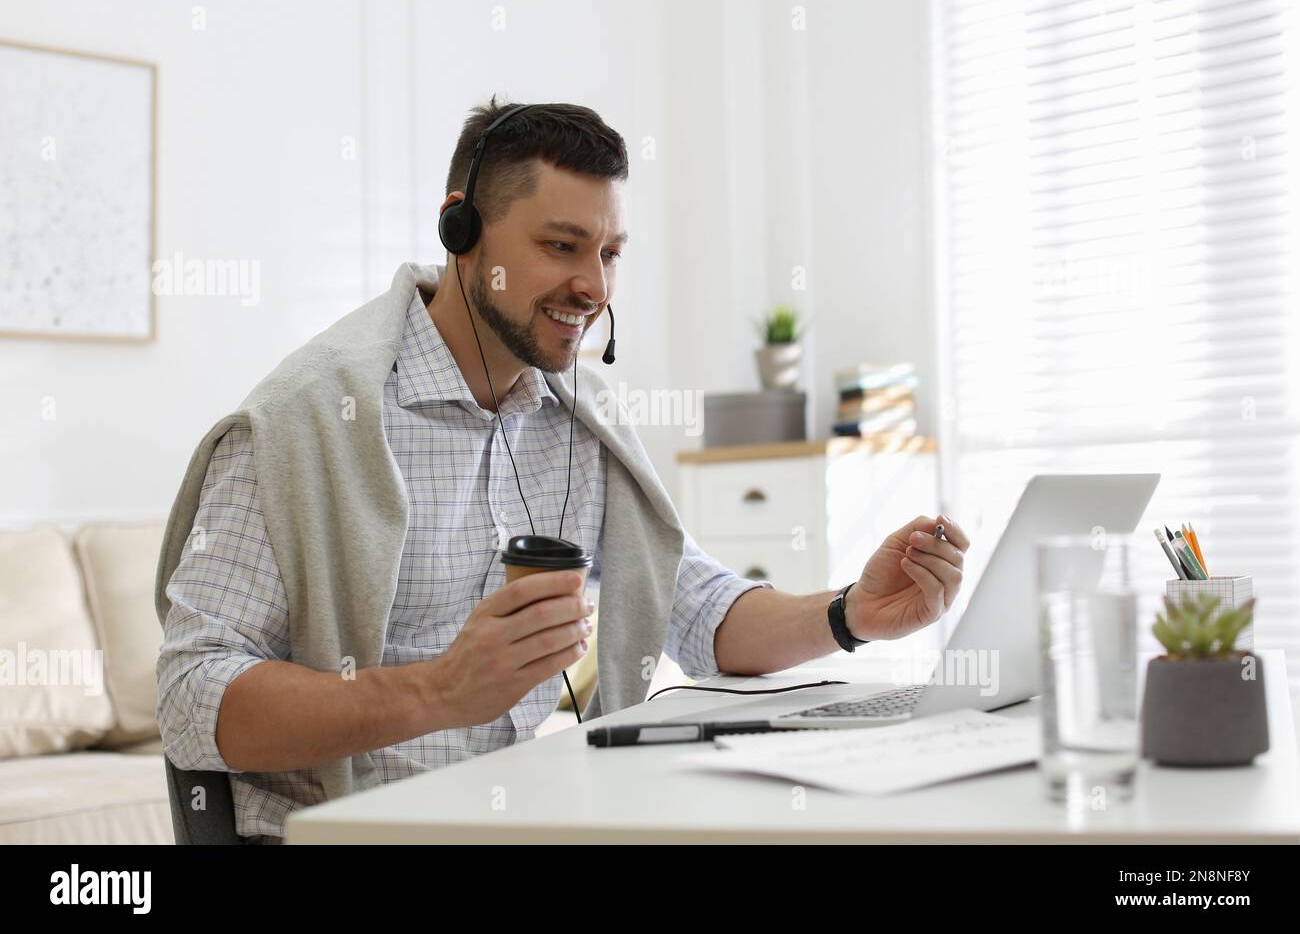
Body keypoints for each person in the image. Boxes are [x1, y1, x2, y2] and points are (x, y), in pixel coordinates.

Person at [155, 98, 968, 843]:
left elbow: (697, 610)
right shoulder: (301, 425)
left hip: (523, 820)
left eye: (610, 252)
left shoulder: (581, 427)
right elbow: (192, 697)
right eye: (561, 246)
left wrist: (851, 613)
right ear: (461, 230)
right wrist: (437, 693)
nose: (593, 286)